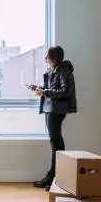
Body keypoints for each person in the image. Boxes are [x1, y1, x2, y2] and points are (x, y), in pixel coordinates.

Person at [28, 46, 77, 191]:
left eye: (47, 56)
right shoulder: (53, 70)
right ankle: (53, 176)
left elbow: (65, 92)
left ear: (54, 58)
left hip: (56, 110)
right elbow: (51, 88)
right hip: (51, 108)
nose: (45, 58)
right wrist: (38, 88)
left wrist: (45, 92)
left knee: (56, 144)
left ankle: (56, 178)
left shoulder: (63, 70)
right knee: (56, 143)